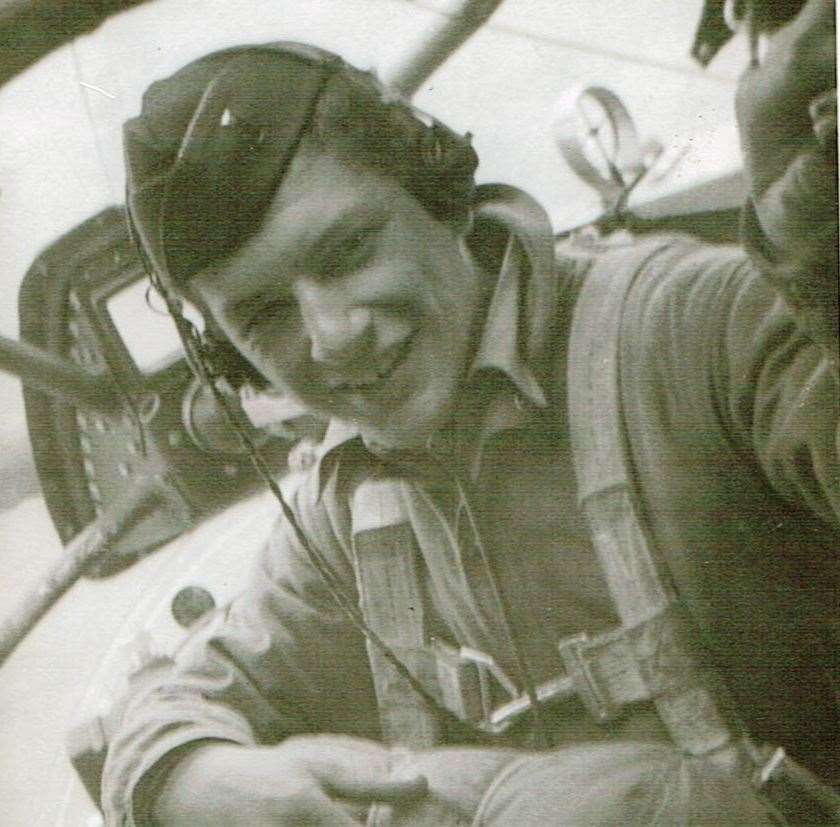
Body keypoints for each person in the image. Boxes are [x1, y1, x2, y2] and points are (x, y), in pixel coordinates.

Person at [98, 3, 838, 825]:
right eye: (264, 317)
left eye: (348, 252)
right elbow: (173, 704)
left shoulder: (695, 328)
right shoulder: (345, 511)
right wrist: (183, 774)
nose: (332, 339)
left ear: (440, 194)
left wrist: (818, 259)